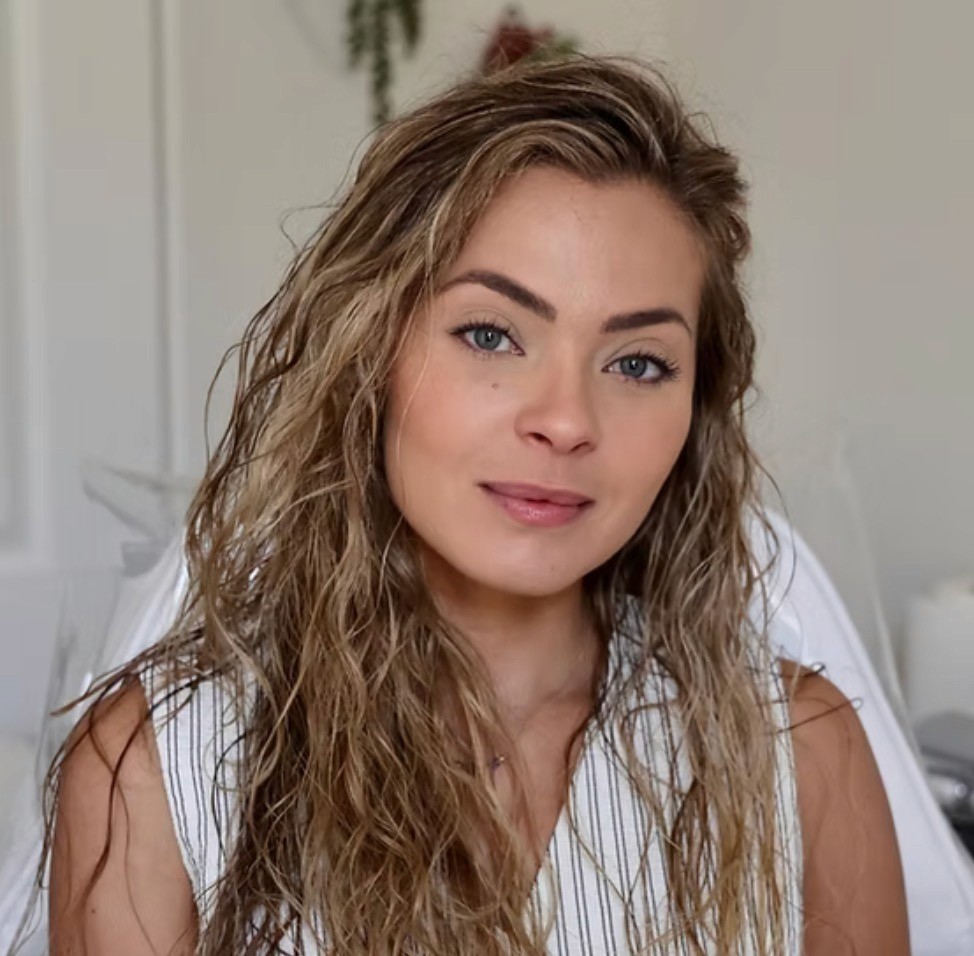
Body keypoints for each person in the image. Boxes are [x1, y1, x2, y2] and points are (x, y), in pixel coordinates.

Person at [41, 56, 908, 955]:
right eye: (491, 334)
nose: (567, 421)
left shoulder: (799, 758)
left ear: (695, 409)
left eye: (639, 363)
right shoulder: (164, 767)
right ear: (369, 352)